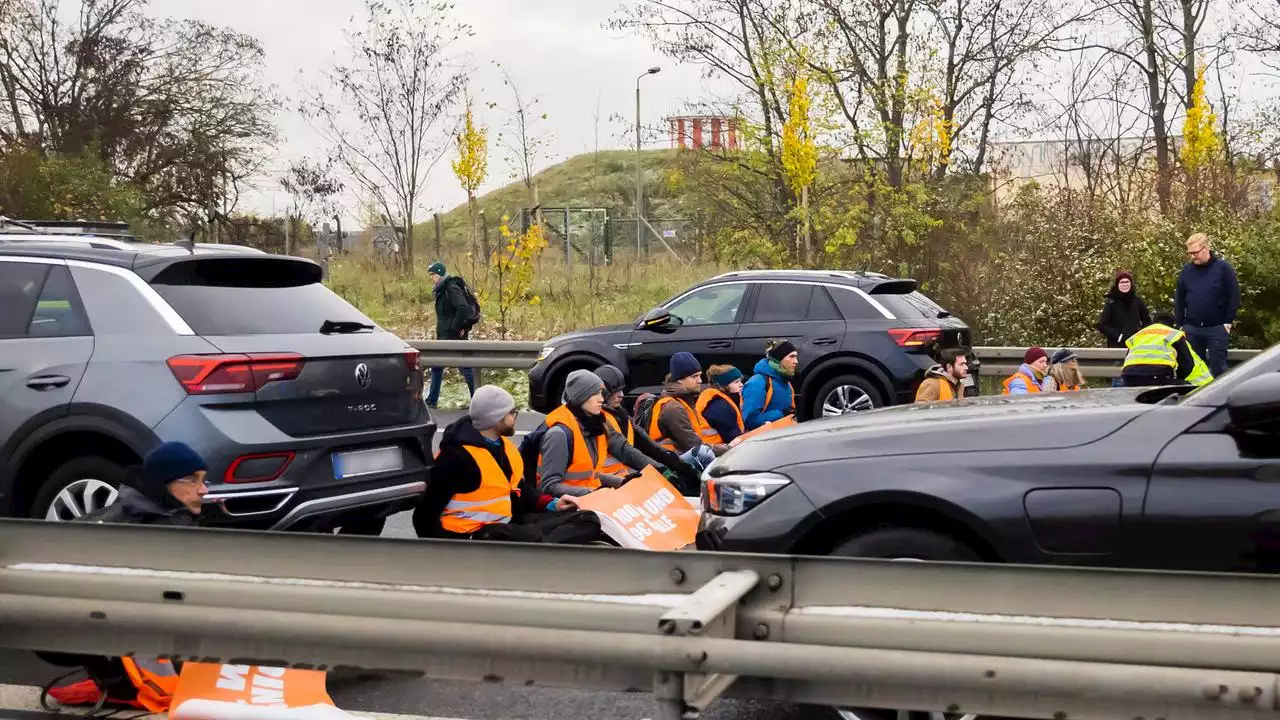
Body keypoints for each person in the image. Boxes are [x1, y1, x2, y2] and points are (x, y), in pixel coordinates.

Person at [38, 442, 208, 711]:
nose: (203, 489)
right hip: (70, 626)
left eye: (203, 480)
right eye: (192, 480)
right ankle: (121, 681)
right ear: (163, 484)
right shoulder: (126, 528)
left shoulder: (171, 519)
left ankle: (127, 680)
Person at [413, 385, 601, 544]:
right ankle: (539, 548)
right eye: (512, 413)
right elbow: (423, 516)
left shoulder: (506, 448)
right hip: (476, 536)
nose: (515, 417)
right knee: (534, 535)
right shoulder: (455, 457)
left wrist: (552, 505)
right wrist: (449, 552)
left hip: (507, 524)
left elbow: (519, 491)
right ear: (496, 419)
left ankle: (540, 546)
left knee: (588, 519)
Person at [537, 369, 655, 498]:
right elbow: (549, 486)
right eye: (595, 394)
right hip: (566, 507)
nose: (601, 399)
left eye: (601, 393)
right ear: (580, 397)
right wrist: (594, 494)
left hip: (588, 501)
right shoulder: (559, 435)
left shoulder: (593, 427)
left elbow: (591, 475)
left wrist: (623, 482)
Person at [595, 365, 702, 494]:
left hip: (628, 474)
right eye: (615, 392)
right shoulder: (599, 419)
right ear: (603, 393)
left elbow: (647, 444)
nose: (621, 395)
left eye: (622, 390)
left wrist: (677, 464)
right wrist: (660, 469)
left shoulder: (620, 414)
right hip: (610, 484)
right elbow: (626, 451)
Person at [1175, 233, 1240, 378]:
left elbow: (1234, 295)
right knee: (1194, 371)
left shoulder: (1223, 269)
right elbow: (1179, 298)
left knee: (1218, 372)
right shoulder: (1186, 271)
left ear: (1206, 248)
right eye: (1189, 253)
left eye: (1195, 252)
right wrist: (1180, 325)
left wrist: (1228, 322)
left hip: (1216, 329)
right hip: (1192, 329)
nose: (1192, 256)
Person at [650, 352, 737, 459]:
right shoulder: (674, 408)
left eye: (700, 375)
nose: (700, 380)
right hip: (675, 465)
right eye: (694, 376)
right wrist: (728, 449)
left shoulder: (684, 400)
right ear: (679, 379)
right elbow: (694, 446)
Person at [426, 261, 477, 408]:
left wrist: (456, 328)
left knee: (465, 368)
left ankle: (477, 400)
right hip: (445, 335)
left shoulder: (451, 287)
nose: (431, 277)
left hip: (453, 335)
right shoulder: (443, 289)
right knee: (437, 366)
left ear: (440, 274)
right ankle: (432, 401)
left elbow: (463, 308)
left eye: (433, 274)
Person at [1121, 312, 1213, 388]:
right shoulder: (1174, 334)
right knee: (1185, 389)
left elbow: (1127, 359)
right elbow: (1187, 364)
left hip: (1129, 376)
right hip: (1158, 377)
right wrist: (1177, 378)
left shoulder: (1139, 334)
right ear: (1172, 324)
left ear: (1154, 322)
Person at [1097, 270, 1151, 388]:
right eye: (1122, 282)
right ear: (1117, 284)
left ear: (1131, 283)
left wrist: (1141, 335)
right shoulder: (1111, 302)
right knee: (1118, 379)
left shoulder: (1137, 301)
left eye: (1127, 282)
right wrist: (1117, 335)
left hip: (1135, 347)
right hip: (1117, 347)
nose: (1125, 284)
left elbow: (1147, 321)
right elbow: (1101, 325)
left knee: (1135, 379)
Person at [742, 340, 798, 430]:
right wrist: (781, 413)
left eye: (796, 357)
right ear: (778, 359)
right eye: (791, 357)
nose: (796, 361)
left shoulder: (786, 382)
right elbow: (750, 421)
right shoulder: (757, 382)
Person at [697, 365, 746, 444]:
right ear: (723, 385)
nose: (741, 384)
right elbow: (733, 437)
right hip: (718, 452)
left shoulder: (718, 400)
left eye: (740, 381)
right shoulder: (719, 406)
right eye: (736, 382)